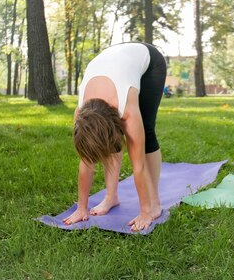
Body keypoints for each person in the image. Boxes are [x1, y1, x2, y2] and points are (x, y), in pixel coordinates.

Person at [63, 42, 167, 232]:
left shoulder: (126, 108)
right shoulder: (81, 112)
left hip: (149, 61)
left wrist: (145, 212)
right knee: (99, 141)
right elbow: (85, 162)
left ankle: (155, 203)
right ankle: (111, 197)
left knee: (147, 134)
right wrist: (81, 207)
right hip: (114, 61)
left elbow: (138, 166)